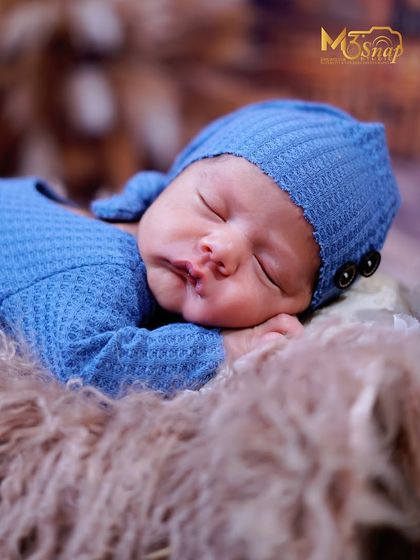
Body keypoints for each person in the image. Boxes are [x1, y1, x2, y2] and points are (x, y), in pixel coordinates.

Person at [0, 100, 401, 397]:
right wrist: (228, 347)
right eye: (212, 207)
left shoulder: (154, 221)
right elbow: (87, 361)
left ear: (300, 306)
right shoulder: (102, 266)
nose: (219, 249)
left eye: (266, 267)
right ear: (175, 178)